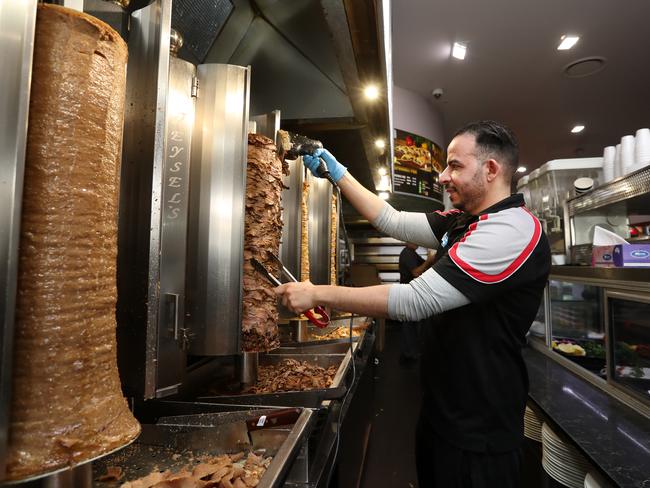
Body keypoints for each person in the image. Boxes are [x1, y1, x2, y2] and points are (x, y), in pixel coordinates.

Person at [274, 120, 551, 487]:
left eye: (454, 165)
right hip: (444, 409)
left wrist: (318, 293)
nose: (441, 176)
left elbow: (414, 301)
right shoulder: (463, 221)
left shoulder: (511, 229)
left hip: (480, 430)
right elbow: (390, 219)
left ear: (491, 169)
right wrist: (337, 172)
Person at [398, 243, 435, 365]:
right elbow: (416, 272)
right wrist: (429, 259)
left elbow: (425, 266)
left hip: (412, 293)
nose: (417, 242)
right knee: (408, 325)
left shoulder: (412, 253)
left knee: (412, 325)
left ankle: (411, 352)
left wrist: (430, 261)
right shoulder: (407, 253)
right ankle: (408, 354)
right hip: (408, 294)